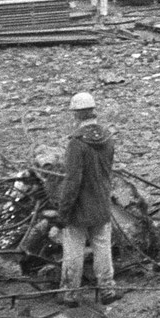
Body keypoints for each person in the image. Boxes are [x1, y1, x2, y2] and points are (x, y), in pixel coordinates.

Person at [54, 91, 118, 304]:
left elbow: (73, 182)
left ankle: (70, 293)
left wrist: (63, 212)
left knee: (73, 251)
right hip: (102, 203)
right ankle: (108, 290)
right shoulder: (108, 138)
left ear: (76, 115)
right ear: (93, 111)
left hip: (80, 208)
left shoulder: (77, 143)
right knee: (102, 248)